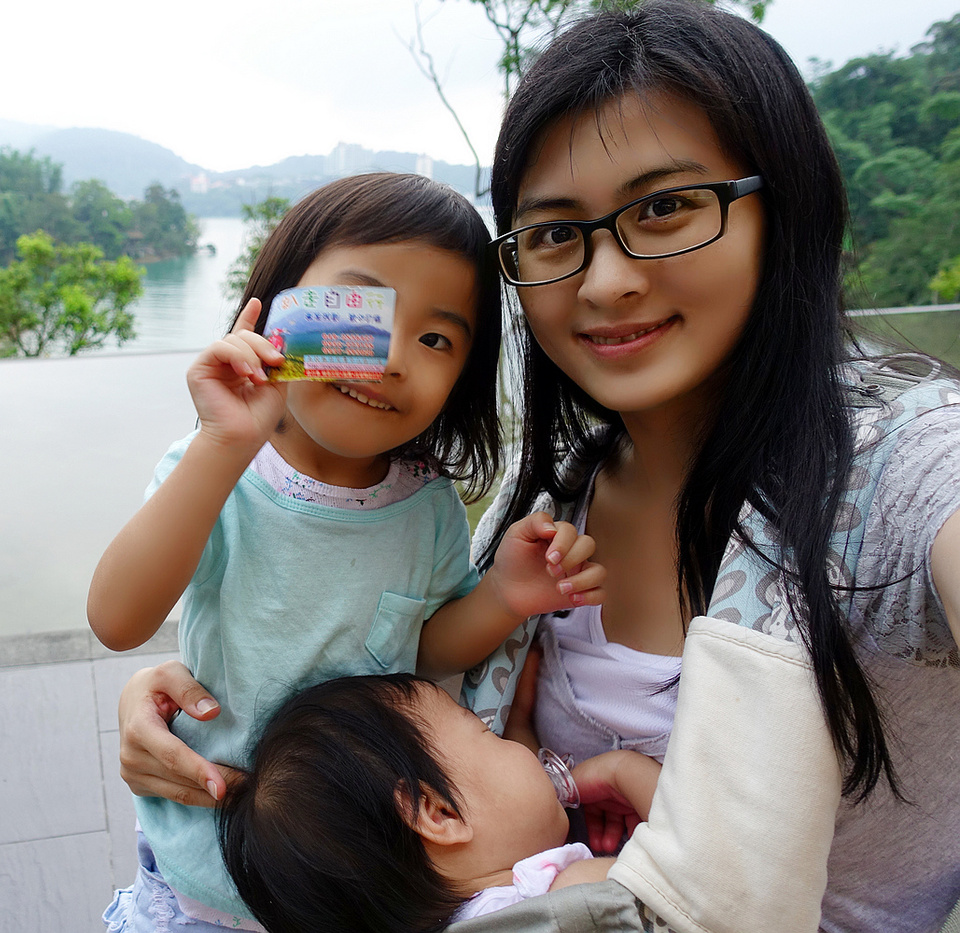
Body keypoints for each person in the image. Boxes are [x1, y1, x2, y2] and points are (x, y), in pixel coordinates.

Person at [113, 4, 960, 932]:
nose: (604, 281)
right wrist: (214, 690)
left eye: (666, 207)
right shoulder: (550, 502)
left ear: (784, 207)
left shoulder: (893, 474)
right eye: (556, 233)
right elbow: (403, 681)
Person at [88, 172, 604, 931]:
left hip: (357, 885)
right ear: (275, 309)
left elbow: (423, 653)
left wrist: (504, 595)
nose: (393, 357)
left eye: (436, 339)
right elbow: (117, 618)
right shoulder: (224, 473)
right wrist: (221, 445)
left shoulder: (426, 505)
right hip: (201, 876)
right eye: (358, 314)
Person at [216, 673, 660, 933]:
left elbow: (500, 802)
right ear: (438, 814)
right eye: (489, 734)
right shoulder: (573, 899)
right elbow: (702, 859)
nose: (520, 750)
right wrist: (624, 770)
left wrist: (523, 719)